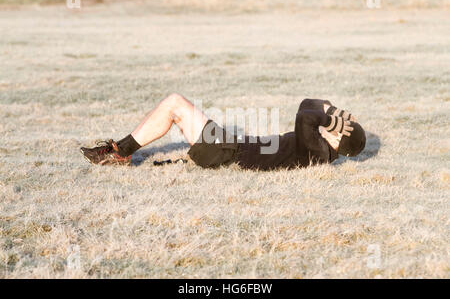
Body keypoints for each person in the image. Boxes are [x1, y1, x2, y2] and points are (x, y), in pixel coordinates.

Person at [80, 93, 366, 170]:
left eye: (337, 127)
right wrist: (332, 112)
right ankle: (121, 150)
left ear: (340, 140)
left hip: (227, 152)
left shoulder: (319, 153)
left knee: (174, 104)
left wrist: (329, 117)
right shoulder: (320, 147)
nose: (329, 123)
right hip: (230, 146)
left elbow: (306, 114)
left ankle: (120, 152)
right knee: (175, 107)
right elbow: (309, 104)